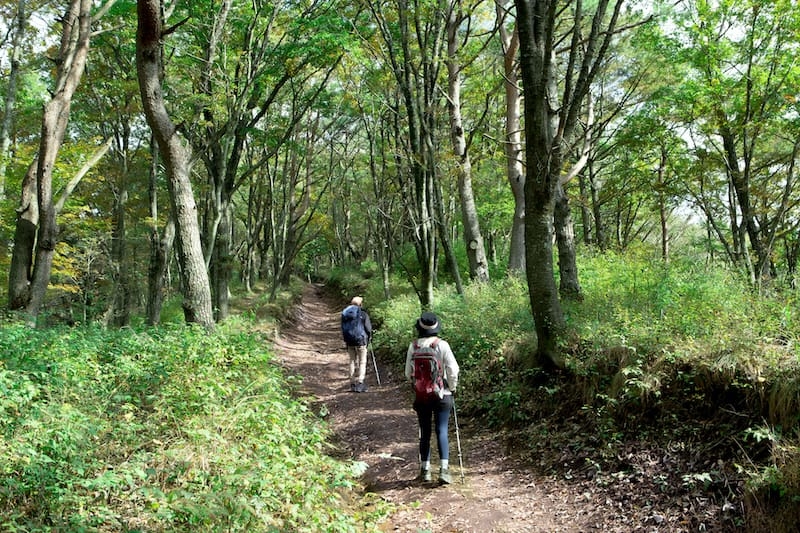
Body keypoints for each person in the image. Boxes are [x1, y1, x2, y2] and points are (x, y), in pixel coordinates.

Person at [405, 311, 459, 484]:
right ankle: (444, 470)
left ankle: (425, 471)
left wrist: (419, 385)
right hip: (442, 393)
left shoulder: (413, 346)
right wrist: (452, 387)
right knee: (441, 430)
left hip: (422, 395)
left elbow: (407, 373)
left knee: (425, 431)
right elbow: (453, 370)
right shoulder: (442, 345)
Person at [341, 296, 372, 393]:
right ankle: (360, 383)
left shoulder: (345, 314)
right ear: (360, 304)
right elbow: (368, 328)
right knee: (362, 362)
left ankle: (352, 383)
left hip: (349, 341)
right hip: (361, 341)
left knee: (352, 361)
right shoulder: (363, 314)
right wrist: (369, 337)